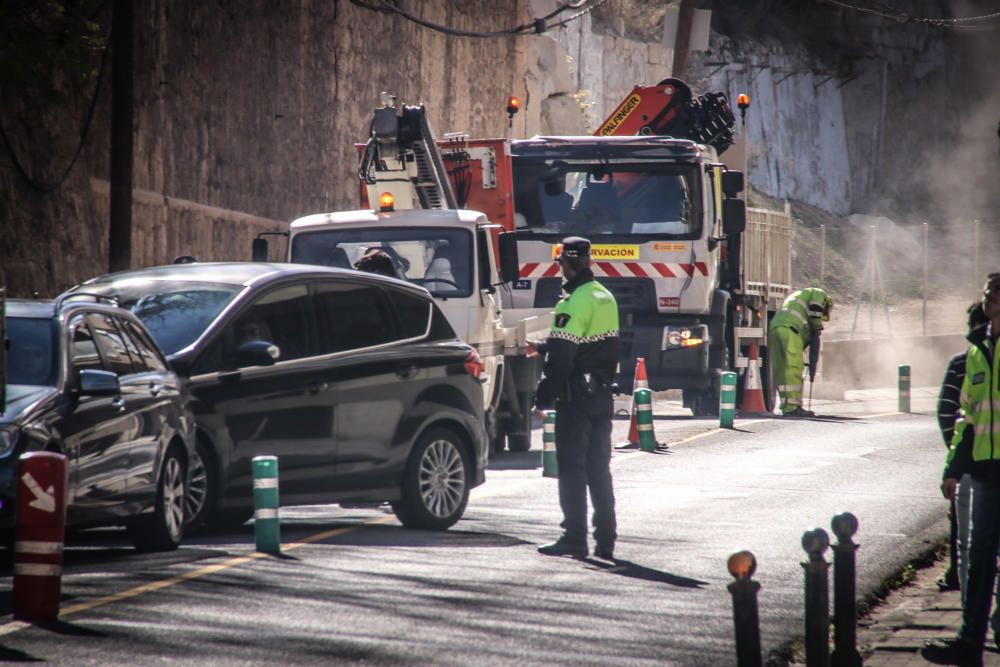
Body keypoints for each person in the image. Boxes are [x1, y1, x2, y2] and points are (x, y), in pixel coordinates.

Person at [923, 272, 1000, 666]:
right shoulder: (975, 351)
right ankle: (970, 642)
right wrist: (954, 468)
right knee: (979, 559)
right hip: (986, 473)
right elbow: (967, 418)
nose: (989, 300)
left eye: (996, 294)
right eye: (988, 293)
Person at [529, 236, 620, 560]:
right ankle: (606, 541)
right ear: (589, 261)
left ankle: (574, 538)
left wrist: (542, 400)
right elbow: (590, 344)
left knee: (571, 468)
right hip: (601, 395)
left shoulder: (572, 301)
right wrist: (543, 346)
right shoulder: (604, 296)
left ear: (564, 264)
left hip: (575, 400)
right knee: (599, 469)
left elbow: (563, 360)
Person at [936, 302, 989, 596]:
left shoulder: (962, 362)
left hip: (973, 469)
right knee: (968, 540)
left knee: (967, 540)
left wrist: (955, 460)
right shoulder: (965, 361)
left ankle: (971, 606)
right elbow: (954, 416)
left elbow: (948, 414)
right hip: (973, 468)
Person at [767, 287, 832, 417]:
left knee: (782, 370)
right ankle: (792, 408)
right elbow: (816, 310)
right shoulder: (818, 293)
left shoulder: (798, 297)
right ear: (827, 303)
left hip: (775, 328)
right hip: (791, 330)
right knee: (793, 368)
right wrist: (817, 326)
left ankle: (786, 406)